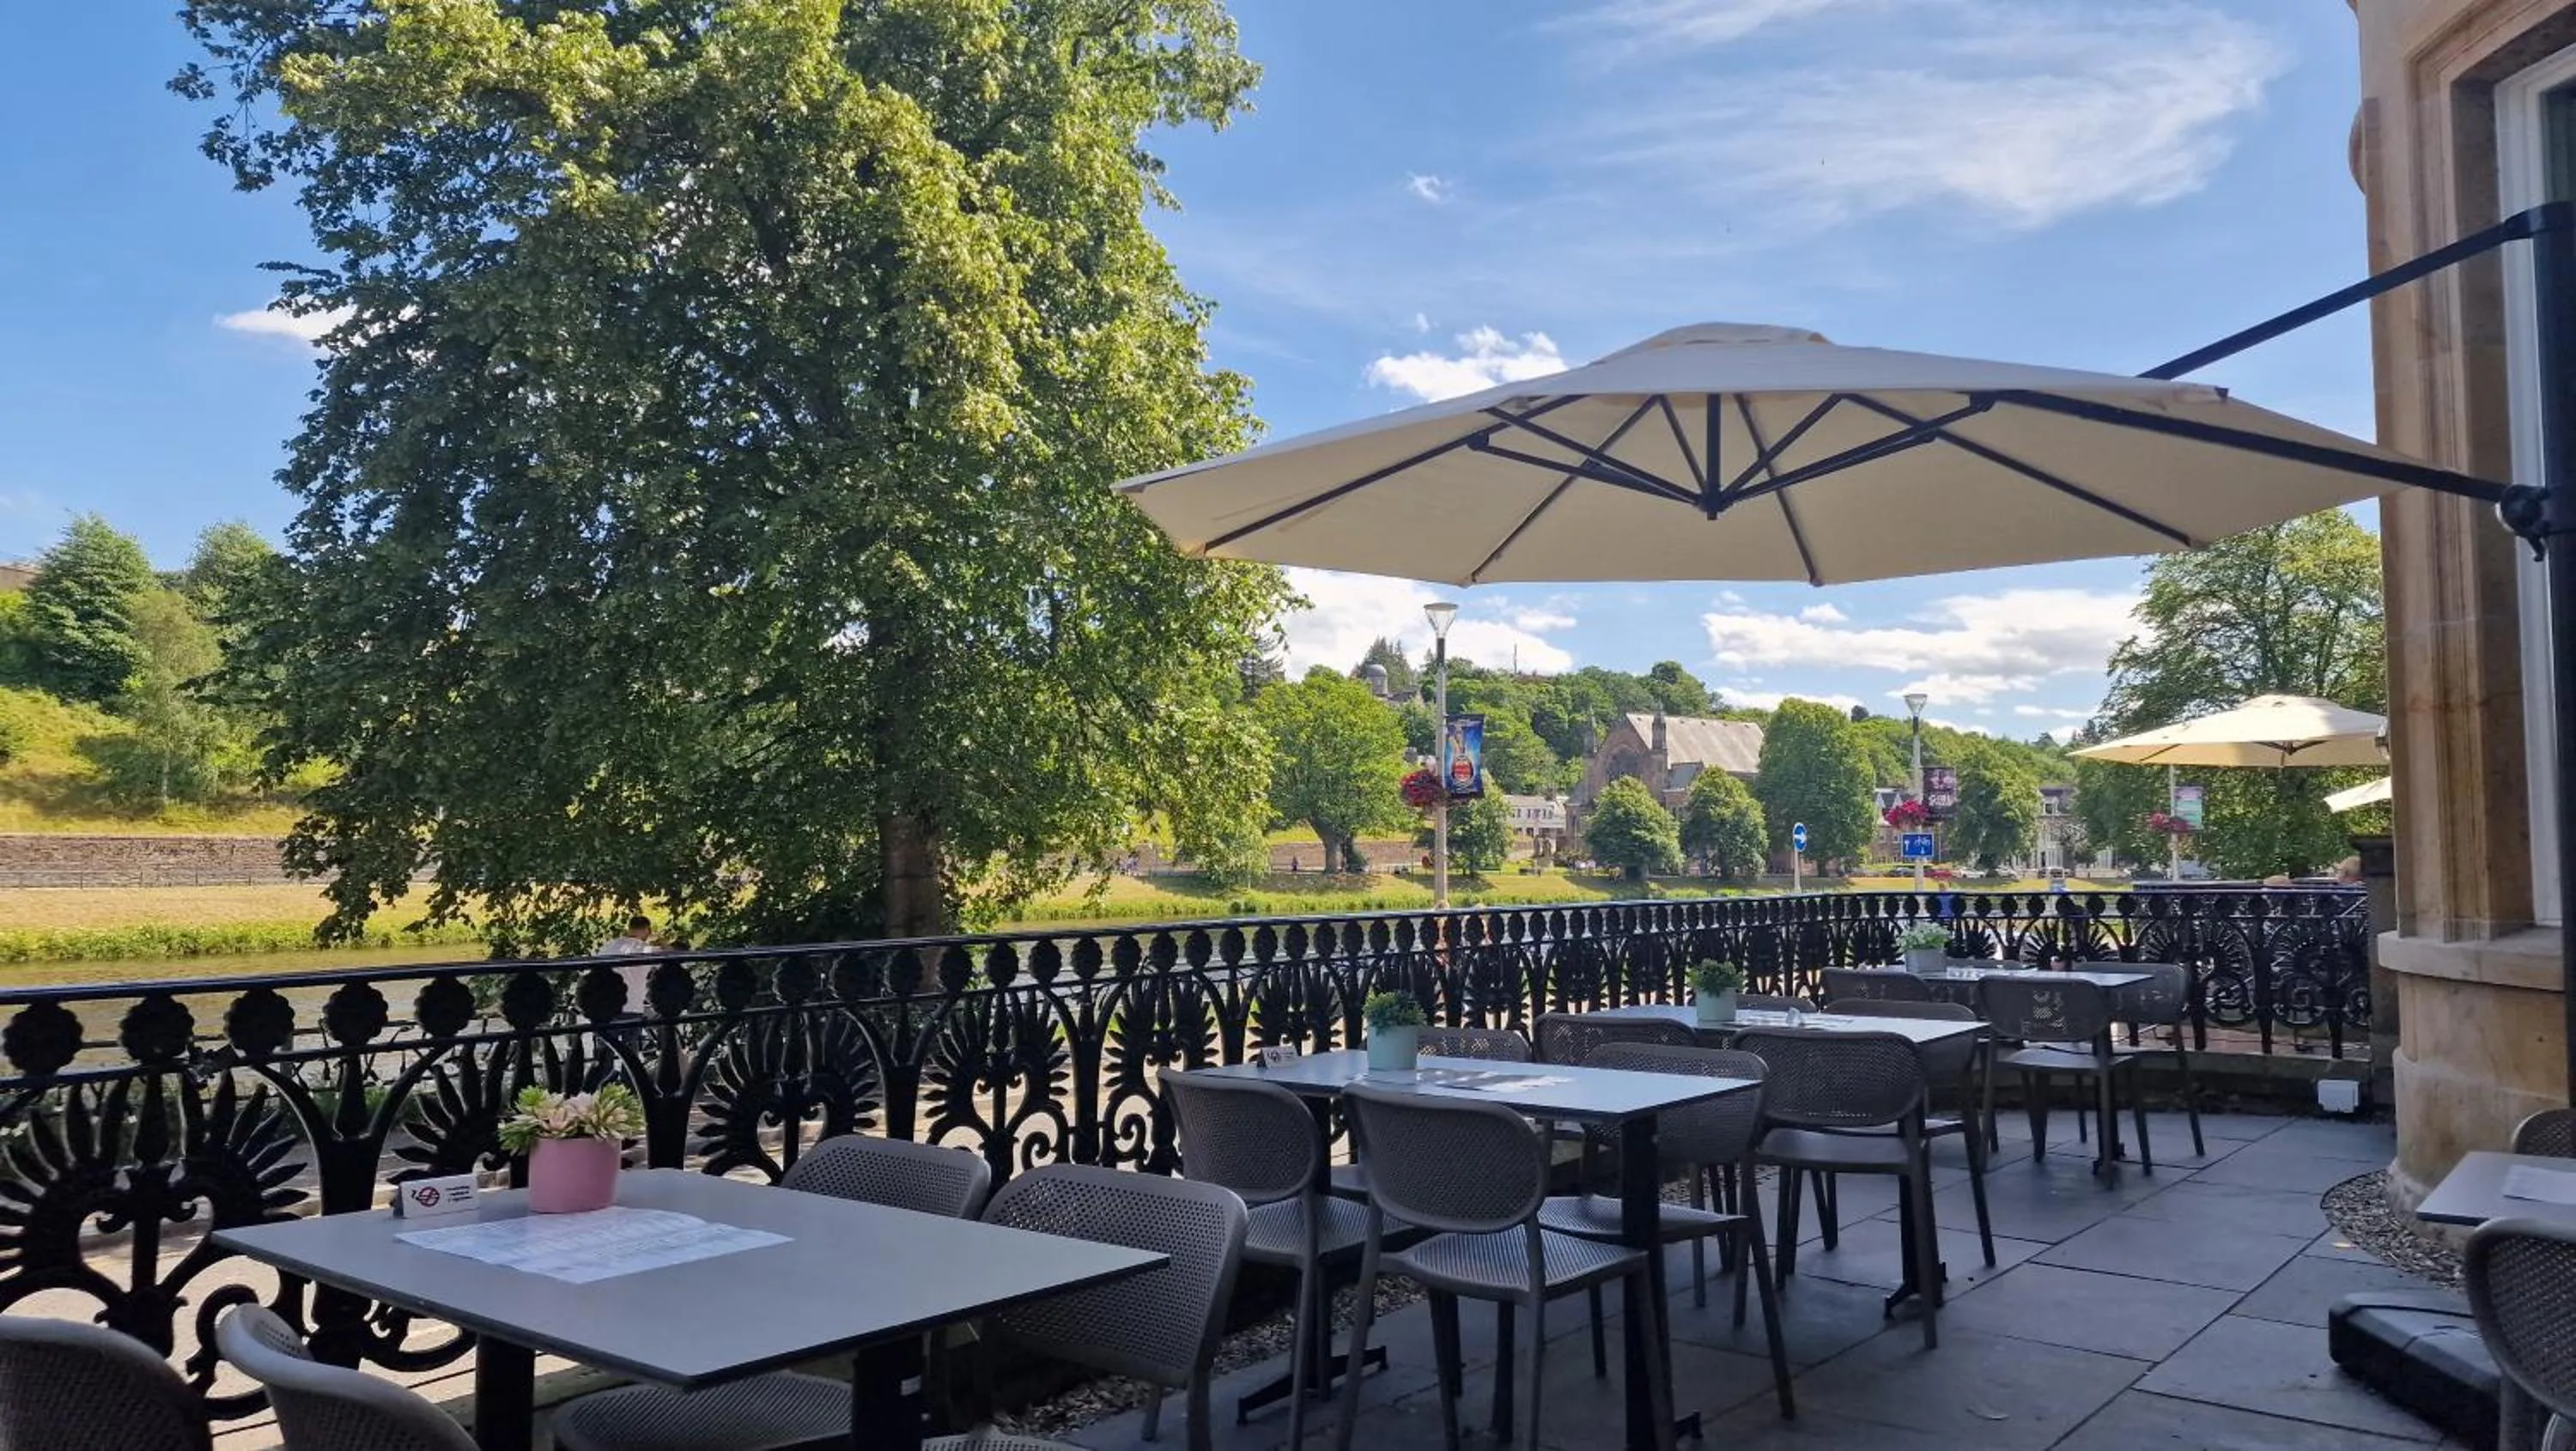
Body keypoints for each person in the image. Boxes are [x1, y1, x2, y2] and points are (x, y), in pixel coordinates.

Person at [598, 914, 657, 1007]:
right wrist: (662, 942)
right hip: (632, 1006)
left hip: (606, 1005)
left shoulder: (608, 946)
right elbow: (672, 960)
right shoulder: (646, 950)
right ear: (647, 930)